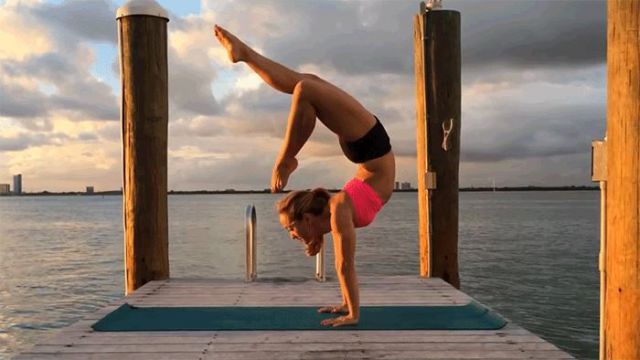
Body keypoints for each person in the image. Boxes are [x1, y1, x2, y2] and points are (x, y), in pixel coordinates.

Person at [214, 25, 395, 327]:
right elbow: (344, 264)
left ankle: (286, 159)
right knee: (306, 86)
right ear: (310, 218)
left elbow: (343, 264)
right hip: (370, 145)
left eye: (290, 229)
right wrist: (348, 307)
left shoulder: (338, 209)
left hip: (369, 146)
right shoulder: (338, 209)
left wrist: (352, 313)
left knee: (306, 85)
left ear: (307, 218)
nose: (292, 235)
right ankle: (244, 55)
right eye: (291, 231)